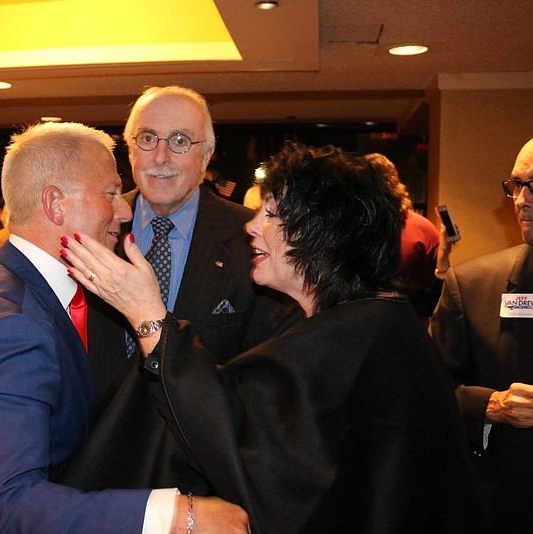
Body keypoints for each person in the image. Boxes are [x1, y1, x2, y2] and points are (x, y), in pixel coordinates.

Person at [63, 141, 487, 534]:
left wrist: (148, 315)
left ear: (321, 231)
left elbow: (247, 456)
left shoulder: (354, 339)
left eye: (272, 214)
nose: (251, 227)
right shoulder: (373, 324)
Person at [0, 121, 248, 533]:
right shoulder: (9, 326)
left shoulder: (9, 284)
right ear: (55, 204)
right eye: (110, 193)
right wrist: (175, 516)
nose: (125, 210)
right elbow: (9, 505)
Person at [56, 85, 300, 494]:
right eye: (147, 139)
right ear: (129, 150)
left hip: (202, 480)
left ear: (206, 156)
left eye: (180, 141)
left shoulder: (252, 241)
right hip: (95, 473)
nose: (160, 157)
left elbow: (270, 386)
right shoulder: (88, 229)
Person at [431, 137, 533, 532]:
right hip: (509, 507)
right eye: (516, 185)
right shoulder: (473, 287)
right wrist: (494, 404)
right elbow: (430, 391)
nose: (521, 201)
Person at [365, 152, 441, 319]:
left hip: (409, 321)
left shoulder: (422, 230)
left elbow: (434, 297)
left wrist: (445, 258)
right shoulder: (350, 228)